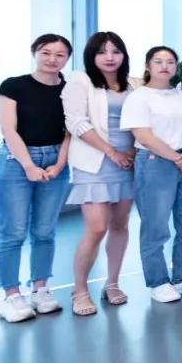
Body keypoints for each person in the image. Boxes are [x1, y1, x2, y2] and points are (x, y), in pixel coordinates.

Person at [121, 46, 182, 303]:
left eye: (170, 61)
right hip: (156, 163)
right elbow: (144, 136)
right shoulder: (139, 97)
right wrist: (179, 160)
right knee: (156, 226)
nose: (165, 66)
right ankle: (158, 282)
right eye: (159, 61)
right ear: (148, 65)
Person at [0, 34, 73, 322]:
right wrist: (28, 166)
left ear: (67, 58)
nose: (52, 59)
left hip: (55, 160)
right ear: (34, 53)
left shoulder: (70, 90)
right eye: (46, 52)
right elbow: (8, 130)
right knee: (12, 232)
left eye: (60, 54)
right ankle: (11, 295)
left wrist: (59, 164)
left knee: (44, 231)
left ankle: (40, 289)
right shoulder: (13, 86)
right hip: (15, 161)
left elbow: (70, 132)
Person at [61, 32, 138, 316]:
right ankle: (79, 290)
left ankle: (112, 283)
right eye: (102, 52)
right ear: (91, 56)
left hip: (127, 163)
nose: (109, 57)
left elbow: (142, 122)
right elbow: (76, 123)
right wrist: (111, 152)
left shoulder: (132, 84)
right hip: (94, 163)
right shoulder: (80, 81)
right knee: (96, 228)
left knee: (120, 225)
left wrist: (130, 153)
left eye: (116, 51)